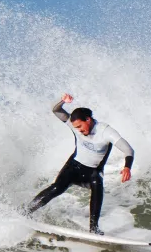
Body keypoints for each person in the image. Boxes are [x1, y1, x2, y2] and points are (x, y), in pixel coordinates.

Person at [25, 93, 134, 234]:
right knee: (56, 188)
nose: (79, 130)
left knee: (97, 187)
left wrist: (127, 167)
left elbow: (128, 150)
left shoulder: (105, 131)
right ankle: (25, 211)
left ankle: (93, 229)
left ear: (88, 120)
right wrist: (62, 100)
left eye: (80, 126)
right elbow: (56, 110)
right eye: (76, 128)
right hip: (74, 166)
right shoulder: (76, 126)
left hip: (93, 172)